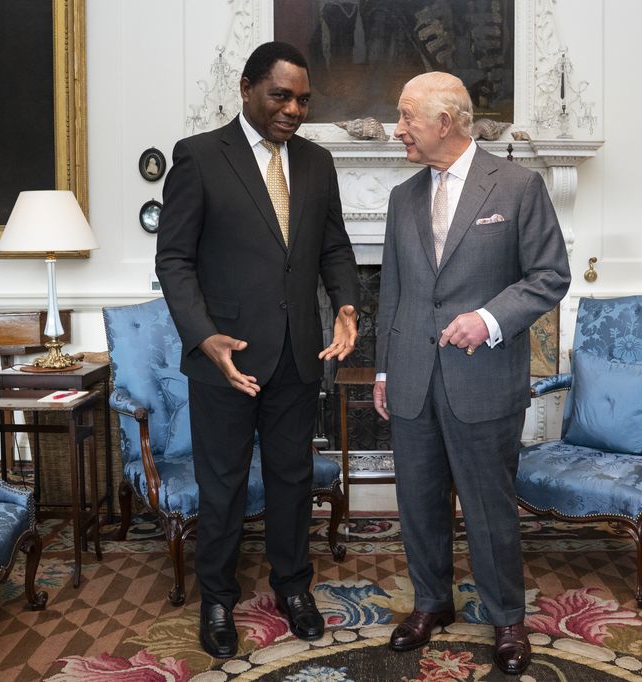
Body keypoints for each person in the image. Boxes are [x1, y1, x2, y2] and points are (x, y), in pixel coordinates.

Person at [155, 41, 360, 660]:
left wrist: (347, 304)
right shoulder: (197, 157)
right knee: (221, 487)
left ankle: (293, 589)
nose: (294, 109)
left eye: (302, 99)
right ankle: (216, 599)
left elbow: (334, 250)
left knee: (291, 481)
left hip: (299, 354)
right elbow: (174, 260)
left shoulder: (319, 164)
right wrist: (203, 334)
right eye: (281, 95)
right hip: (228, 359)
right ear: (246, 88)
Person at [373, 71, 570, 676]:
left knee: (489, 506)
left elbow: (549, 275)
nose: (397, 129)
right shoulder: (402, 196)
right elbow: (394, 291)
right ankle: (431, 604)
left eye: (406, 117)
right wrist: (382, 370)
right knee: (419, 503)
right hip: (411, 376)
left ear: (445, 122)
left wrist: (487, 319)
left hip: (482, 377)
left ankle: (507, 618)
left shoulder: (517, 186)